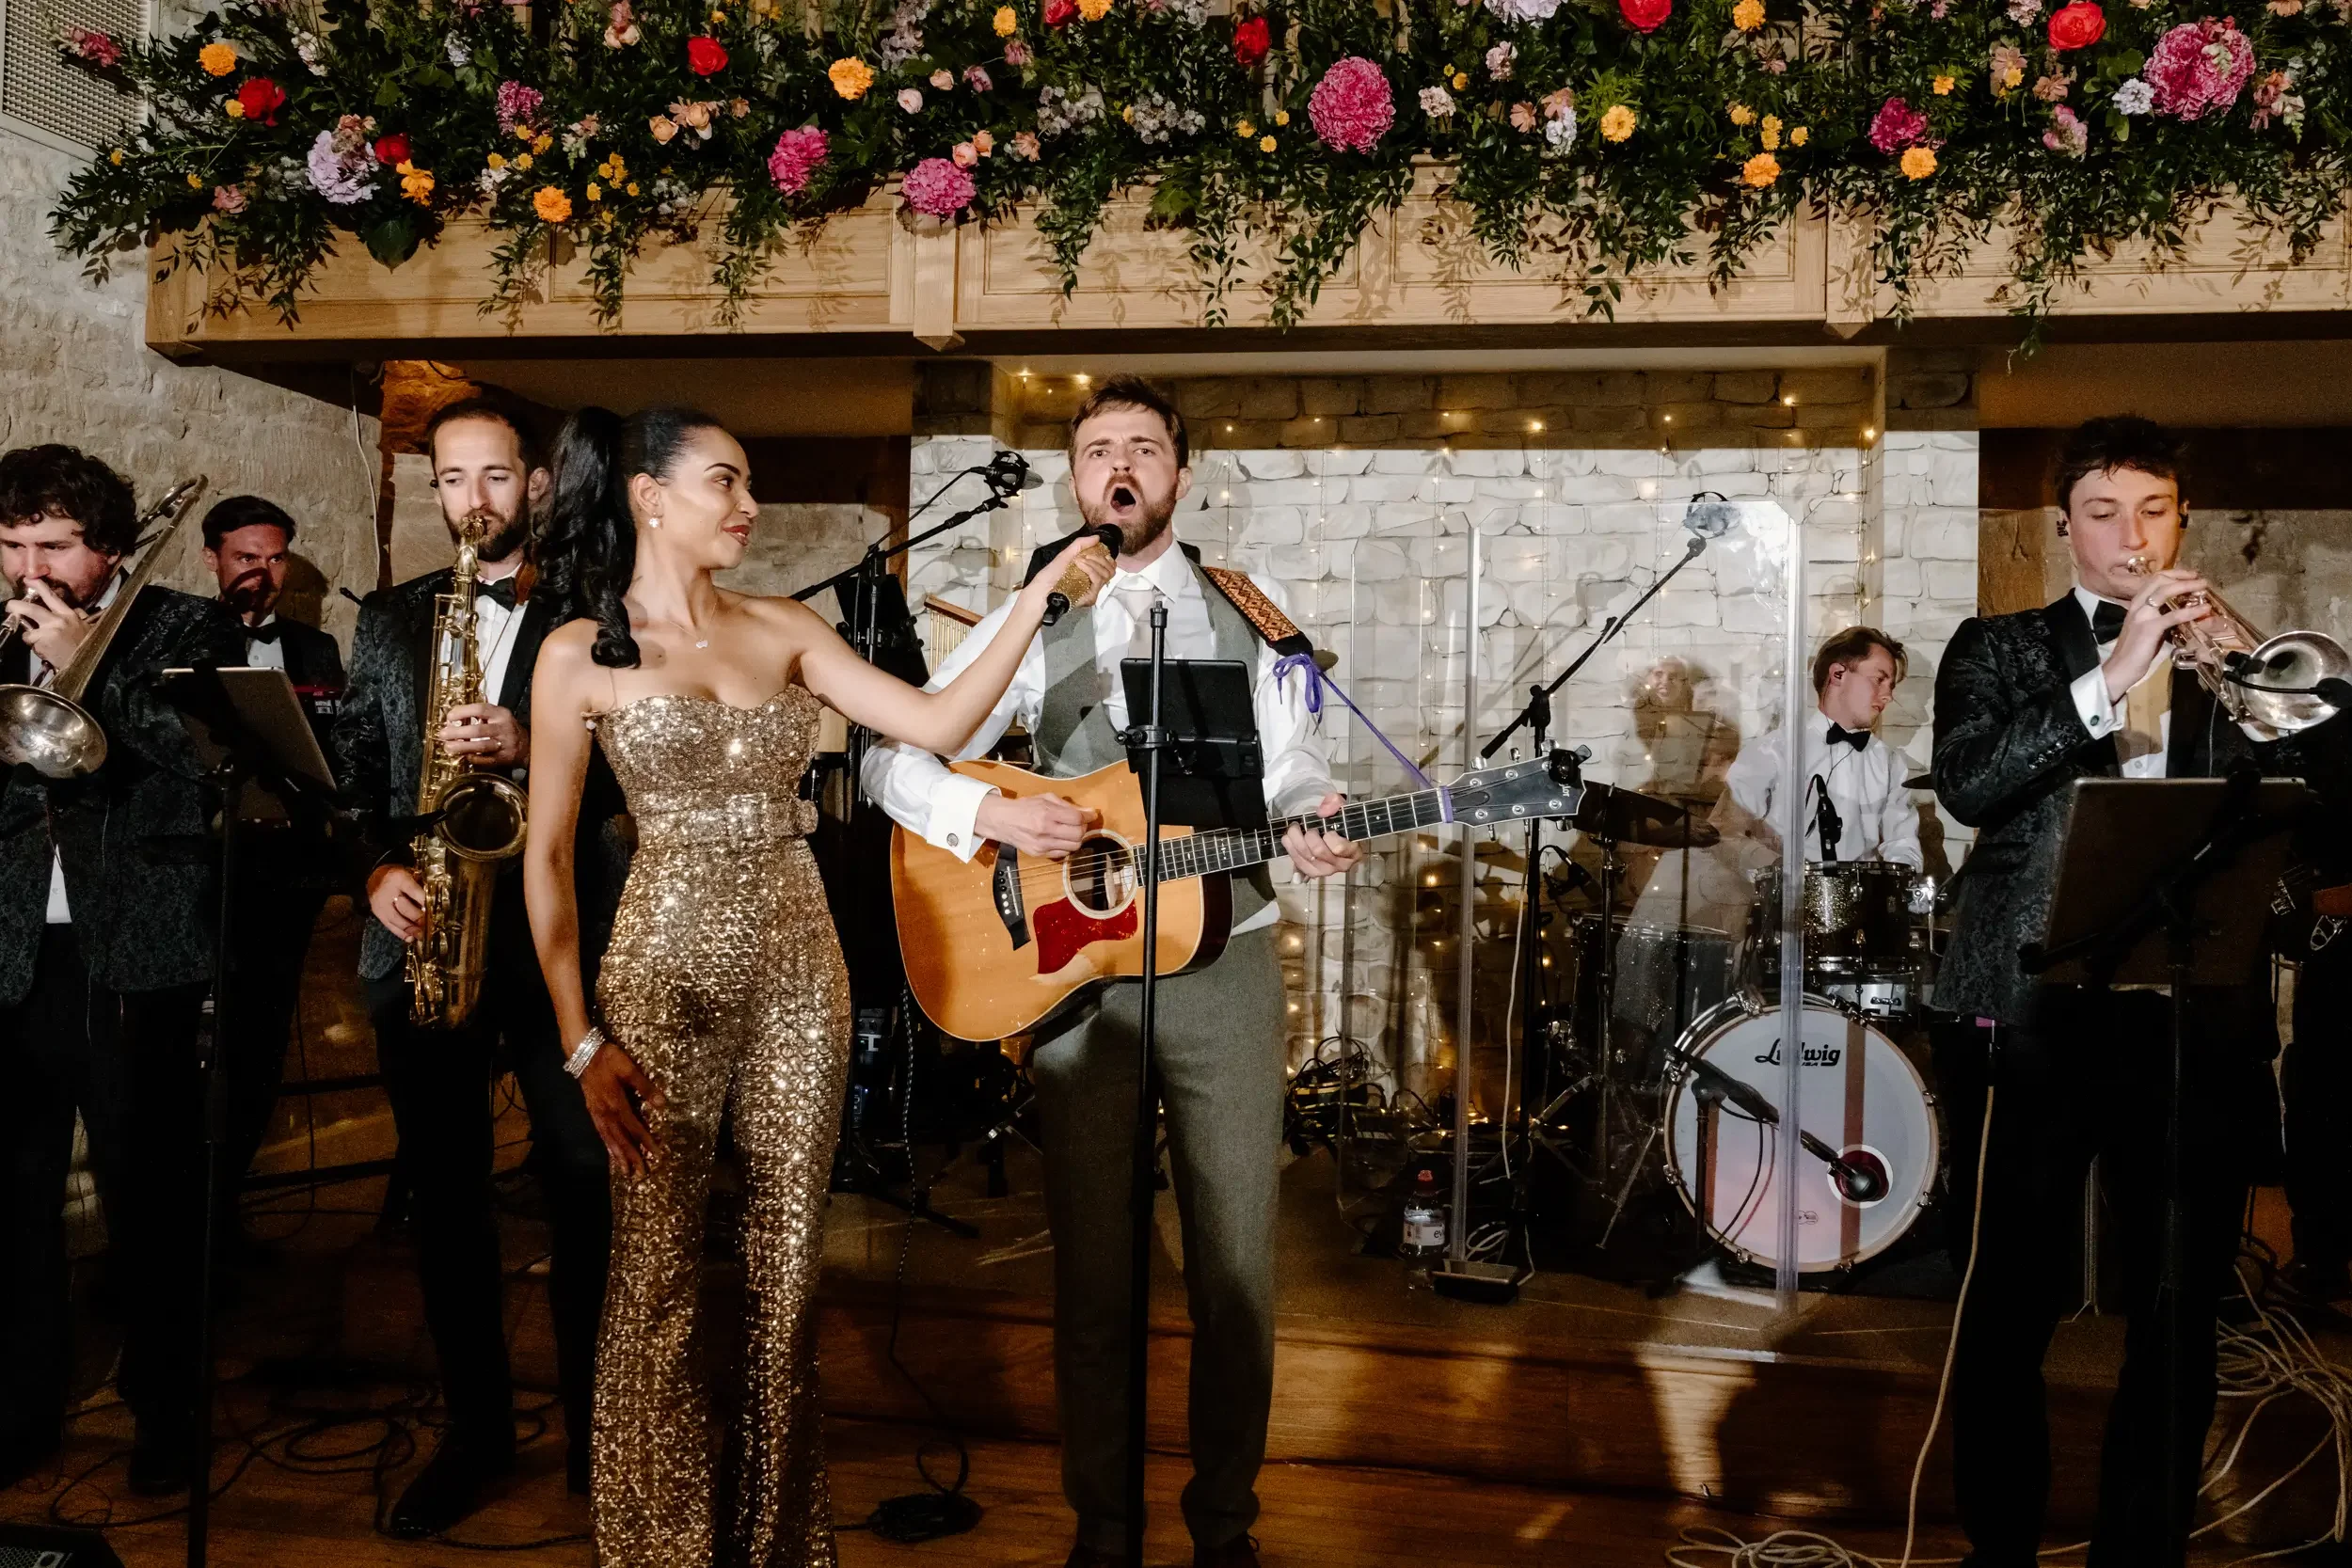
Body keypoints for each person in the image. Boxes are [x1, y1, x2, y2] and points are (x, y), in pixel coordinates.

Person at [521, 404, 1112, 1565]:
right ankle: (657, 1547)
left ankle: (782, 1544)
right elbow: (544, 861)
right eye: (725, 483)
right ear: (648, 494)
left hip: (802, 966)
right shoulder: (576, 651)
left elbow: (939, 719)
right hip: (660, 971)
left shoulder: (784, 626)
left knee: (789, 1262)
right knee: (654, 1269)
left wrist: (1036, 599)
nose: (748, 507)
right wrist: (581, 1041)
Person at [863, 376, 1361, 1568]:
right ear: (1076, 482)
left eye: (1143, 446)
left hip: (1225, 961)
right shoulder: (1035, 614)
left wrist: (1316, 811)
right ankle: (1102, 1529)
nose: (1119, 465)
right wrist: (991, 808)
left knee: (1236, 1268)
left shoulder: (1249, 609)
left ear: (1178, 474)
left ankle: (1224, 1527)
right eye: (1097, 451)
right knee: (1095, 1269)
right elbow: (898, 760)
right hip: (1077, 972)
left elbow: (1295, 768)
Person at [1929, 415, 2342, 1567]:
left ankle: (2141, 1545)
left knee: (2177, 1304)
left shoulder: (2233, 658)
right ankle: (1998, 1546)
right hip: (2031, 1009)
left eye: (2151, 511)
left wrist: (2262, 681)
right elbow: (1968, 785)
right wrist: (2109, 677)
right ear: (2062, 527)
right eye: (2103, 513)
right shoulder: (1999, 645)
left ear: (2181, 520)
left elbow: (2316, 810)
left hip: (2191, 1013)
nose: (2131, 535)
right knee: (2011, 1295)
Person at [330, 397, 612, 1534]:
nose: (475, 500)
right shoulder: (393, 617)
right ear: (434, 488)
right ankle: (477, 1432)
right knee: (445, 1200)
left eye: (495, 476)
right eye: (453, 480)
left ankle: (607, 1435)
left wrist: (531, 742)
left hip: (558, 943)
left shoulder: (599, 613)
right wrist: (371, 872)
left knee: (585, 1185)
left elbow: (643, 770)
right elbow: (349, 764)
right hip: (428, 935)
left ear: (535, 482)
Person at [0, 445, 243, 1494]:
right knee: (13, 1199)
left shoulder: (187, 624)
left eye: (52, 544)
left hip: (137, 947)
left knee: (151, 1197)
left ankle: (166, 1410)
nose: (28, 568)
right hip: (17, 951)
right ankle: (19, 1406)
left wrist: (91, 650)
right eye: (11, 545)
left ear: (105, 545)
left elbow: (205, 761)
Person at [199, 495, 346, 1243]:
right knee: (195, 1053)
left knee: (260, 1045)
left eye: (274, 557)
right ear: (213, 560)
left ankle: (223, 1215)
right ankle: (180, 1224)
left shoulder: (315, 650)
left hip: (283, 874)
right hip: (201, 877)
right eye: (245, 557)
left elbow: (331, 754)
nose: (262, 572)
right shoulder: (184, 635)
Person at [1718, 626, 1922, 868]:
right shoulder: (1771, 752)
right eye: (1879, 680)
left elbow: (1902, 842)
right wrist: (1780, 872)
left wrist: (1899, 877)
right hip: (1785, 900)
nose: (1888, 695)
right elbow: (1725, 832)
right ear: (1837, 674)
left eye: (1891, 686)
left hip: (1864, 901)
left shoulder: (1891, 763)